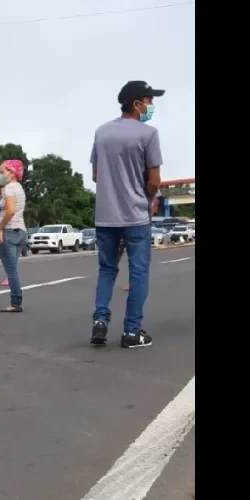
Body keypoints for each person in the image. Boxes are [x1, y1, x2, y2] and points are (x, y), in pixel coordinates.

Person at [90, 80, 164, 348]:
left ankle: (100, 322)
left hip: (105, 216)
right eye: (149, 100)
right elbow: (154, 180)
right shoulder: (148, 134)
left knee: (107, 270)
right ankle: (132, 332)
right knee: (138, 272)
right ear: (136, 104)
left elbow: (96, 174)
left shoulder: (101, 132)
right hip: (135, 216)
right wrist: (148, 197)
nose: (151, 105)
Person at [0, 160, 28, 313]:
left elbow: (11, 210)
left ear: (11, 172)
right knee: (13, 268)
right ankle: (16, 300)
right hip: (21, 231)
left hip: (8, 231)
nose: (0, 175)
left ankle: (15, 302)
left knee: (11, 270)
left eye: (2, 172)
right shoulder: (19, 188)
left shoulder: (8, 188)